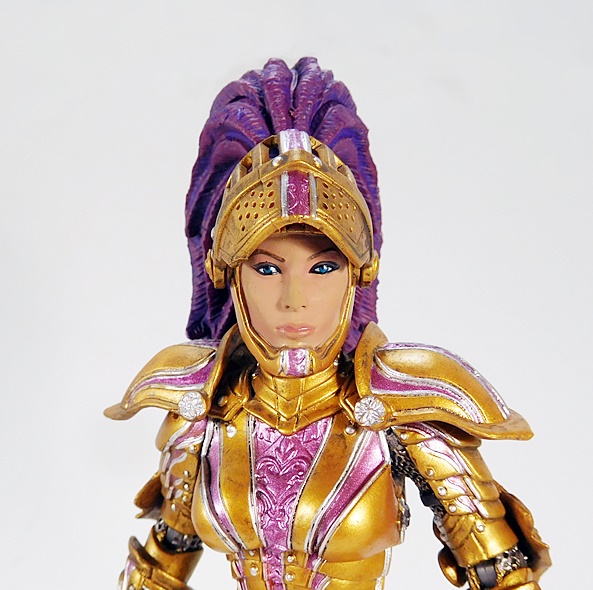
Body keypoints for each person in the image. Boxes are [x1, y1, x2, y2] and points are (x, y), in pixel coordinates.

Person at [105, 58, 550, 590]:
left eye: (322, 268)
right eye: (267, 268)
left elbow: (503, 574)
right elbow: (163, 560)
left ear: (358, 273)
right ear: (228, 273)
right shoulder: (201, 406)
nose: (294, 300)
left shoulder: (405, 404)